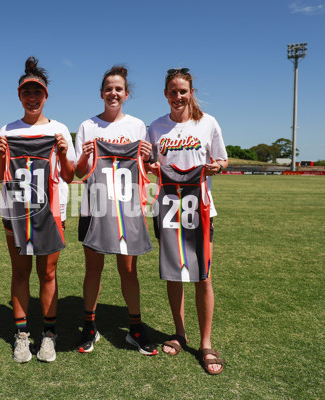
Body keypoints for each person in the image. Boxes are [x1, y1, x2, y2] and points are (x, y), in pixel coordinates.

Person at [0, 57, 76, 363]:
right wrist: (1, 155)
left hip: (51, 211)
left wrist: (65, 152)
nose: (32, 98)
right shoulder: (7, 129)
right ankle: (22, 335)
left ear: (45, 96)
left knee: (48, 272)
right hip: (16, 210)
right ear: (19, 96)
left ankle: (49, 335)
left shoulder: (59, 129)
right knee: (20, 271)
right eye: (27, 92)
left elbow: (68, 175)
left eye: (37, 92)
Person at [147, 67, 228, 374]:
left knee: (203, 276)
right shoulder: (155, 127)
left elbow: (222, 158)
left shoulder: (208, 123)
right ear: (165, 94)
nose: (177, 96)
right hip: (167, 208)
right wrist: (151, 164)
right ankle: (179, 332)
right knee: (174, 273)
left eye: (182, 91)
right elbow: (147, 160)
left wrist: (217, 167)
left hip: (201, 207)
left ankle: (206, 343)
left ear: (191, 92)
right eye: (172, 91)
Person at [74, 66, 158, 356]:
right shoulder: (88, 126)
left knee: (128, 270)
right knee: (93, 268)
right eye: (108, 88)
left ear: (126, 93)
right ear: (101, 93)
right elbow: (78, 171)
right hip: (94, 204)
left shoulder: (137, 126)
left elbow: (145, 169)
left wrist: (146, 159)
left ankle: (135, 327)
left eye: (118, 89)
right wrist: (84, 156)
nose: (113, 93)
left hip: (127, 207)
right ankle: (89, 325)